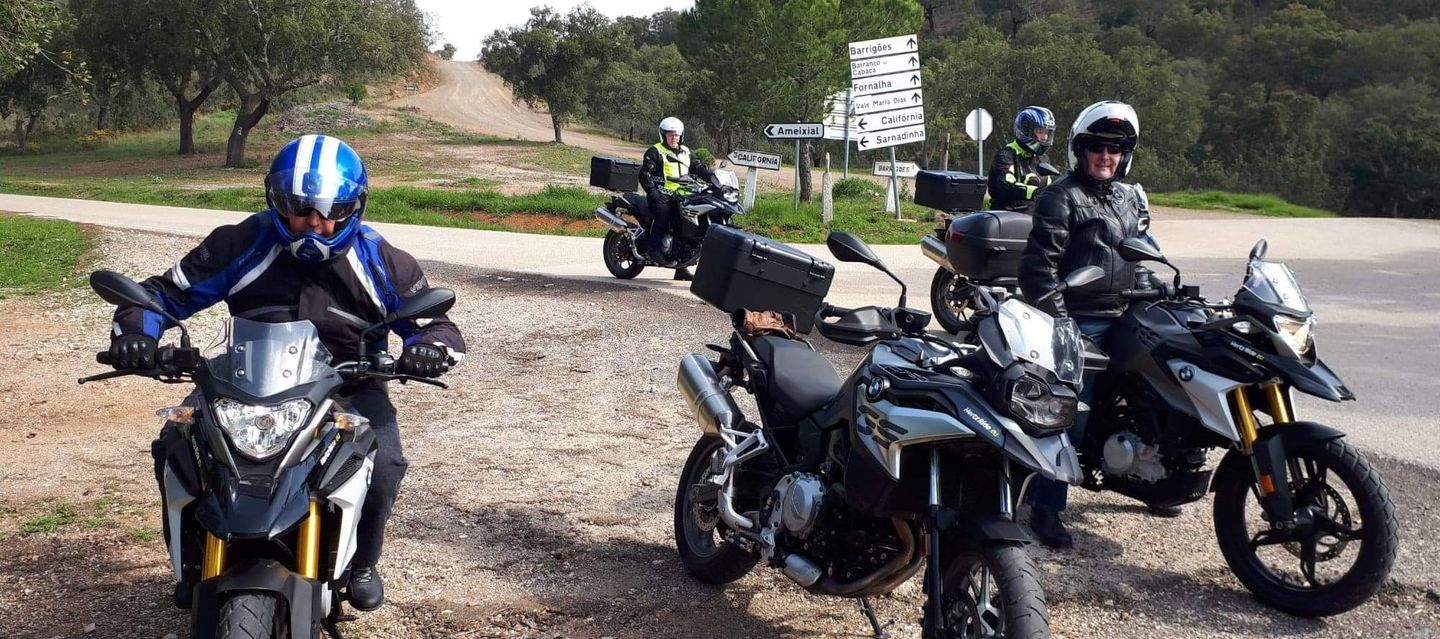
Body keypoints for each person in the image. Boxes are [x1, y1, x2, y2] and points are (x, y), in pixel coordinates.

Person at [106, 134, 465, 610]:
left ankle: (361, 561)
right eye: (299, 207)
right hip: (243, 380)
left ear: (354, 206)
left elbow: (435, 324)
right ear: (275, 201)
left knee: (385, 463)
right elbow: (163, 295)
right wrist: (137, 335)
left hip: (346, 383)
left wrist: (429, 350)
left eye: (330, 210)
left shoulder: (382, 260)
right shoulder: (241, 242)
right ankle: (191, 559)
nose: (314, 223)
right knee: (177, 442)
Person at [1017, 101, 1176, 549]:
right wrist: (1062, 322)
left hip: (1127, 311)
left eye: (1117, 148)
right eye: (1099, 147)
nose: (1107, 156)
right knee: (1072, 411)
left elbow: (1134, 256)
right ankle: (1046, 505)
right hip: (1080, 315)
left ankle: (1157, 478)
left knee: (1164, 386)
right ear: (1081, 150)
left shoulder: (1128, 197)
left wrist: (1161, 288)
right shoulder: (1060, 196)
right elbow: (1038, 271)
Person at [639, 116, 714, 280]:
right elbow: (645, 175)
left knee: (688, 224)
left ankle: (681, 266)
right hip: (661, 195)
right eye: (670, 134)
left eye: (677, 134)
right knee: (664, 213)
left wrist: (714, 178)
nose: (674, 137)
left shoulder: (686, 151)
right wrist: (653, 194)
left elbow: (698, 168)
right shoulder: (655, 151)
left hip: (682, 194)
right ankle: (653, 250)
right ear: (663, 135)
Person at [988, 106, 1057, 212]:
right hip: (1007, 215)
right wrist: (1035, 192)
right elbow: (1006, 186)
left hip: (1035, 217)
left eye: (1047, 132)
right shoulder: (1006, 155)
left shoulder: (1043, 159)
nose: (1045, 137)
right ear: (1025, 129)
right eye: (1040, 131)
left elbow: (1048, 188)